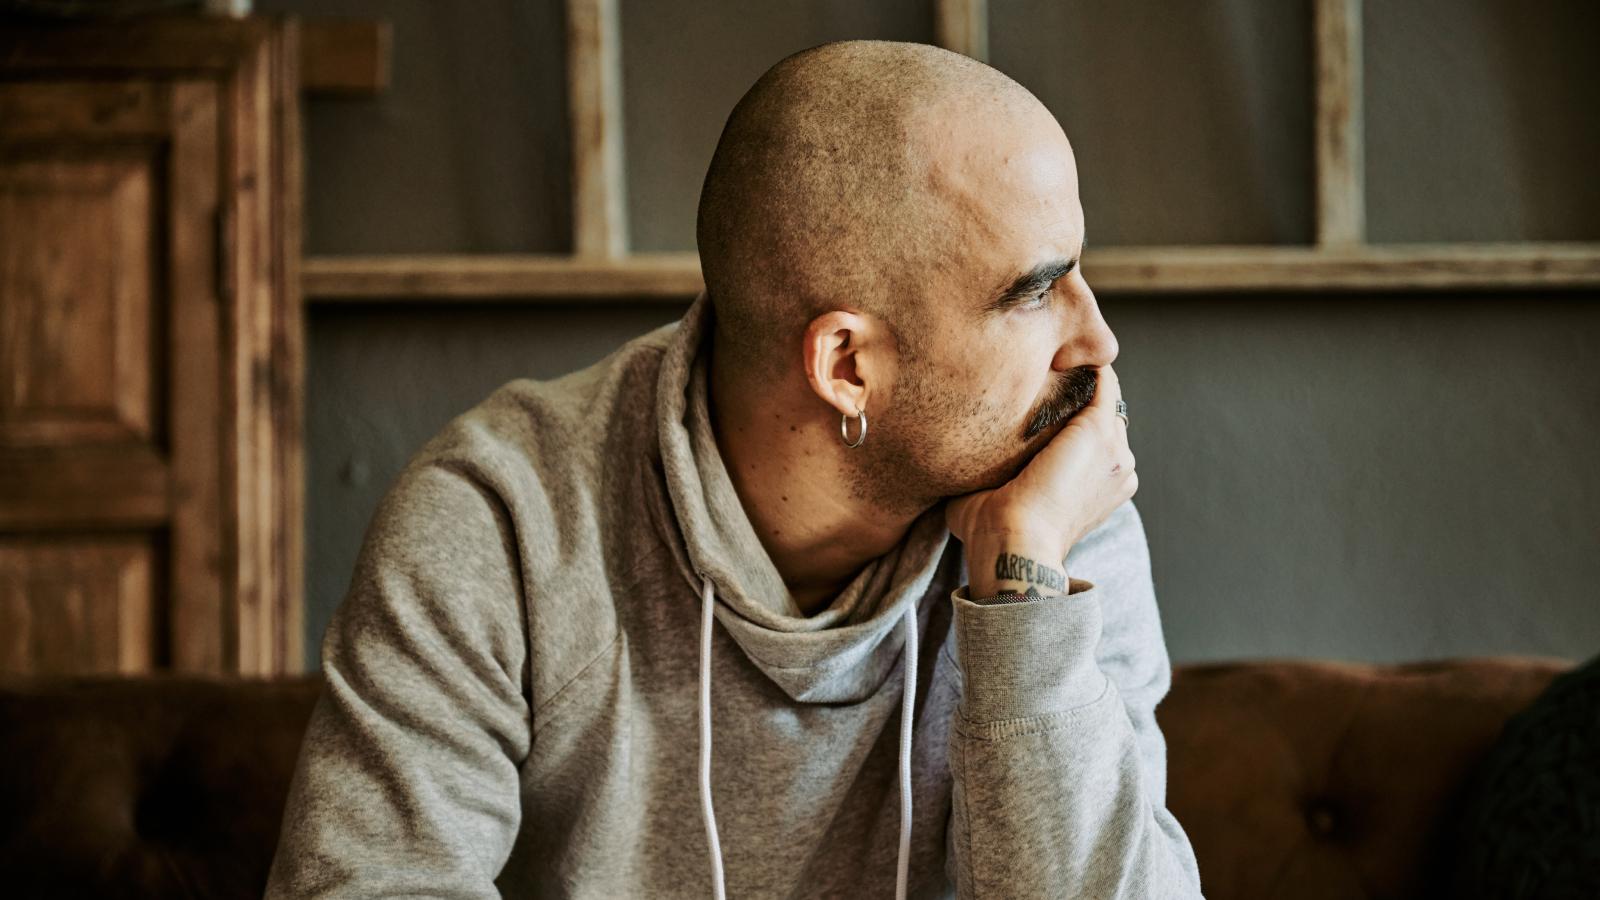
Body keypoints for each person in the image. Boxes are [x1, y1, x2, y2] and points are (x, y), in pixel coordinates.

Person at [266, 39, 1203, 899]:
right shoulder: (504, 522)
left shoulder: (1052, 507)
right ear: (846, 367)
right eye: (1037, 291)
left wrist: (1025, 597)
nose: (1098, 340)